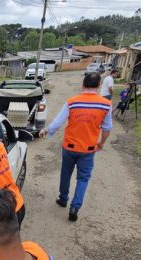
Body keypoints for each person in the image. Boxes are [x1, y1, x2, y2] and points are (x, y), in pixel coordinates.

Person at [40, 72, 112, 222]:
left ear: (83, 85)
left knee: (66, 173)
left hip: (69, 147)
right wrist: (101, 143)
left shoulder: (72, 102)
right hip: (88, 149)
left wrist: (47, 130)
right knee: (83, 178)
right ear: (98, 86)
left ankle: (63, 198)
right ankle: (75, 207)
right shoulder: (105, 104)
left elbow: (59, 121)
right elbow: (107, 128)